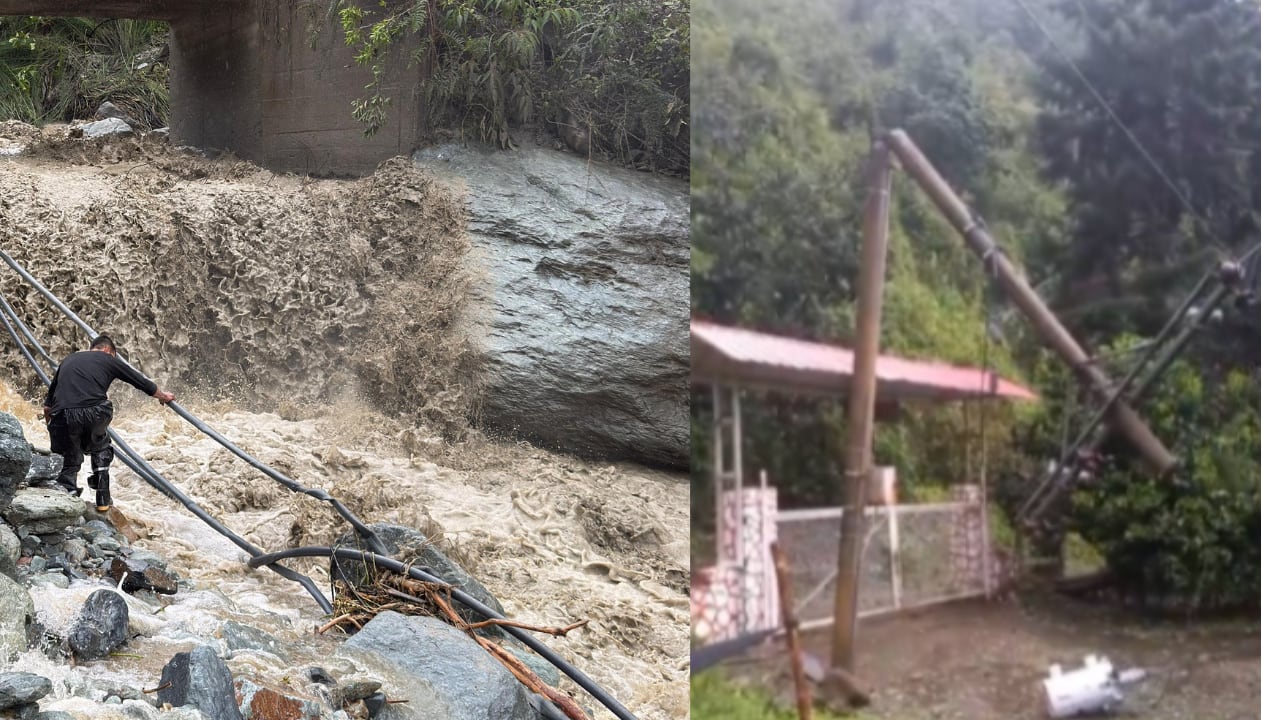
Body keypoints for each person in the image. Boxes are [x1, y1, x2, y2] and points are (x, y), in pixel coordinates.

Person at [42, 335, 175, 511]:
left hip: (63, 414)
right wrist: (163, 396)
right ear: (107, 350)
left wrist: (55, 431)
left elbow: (47, 408)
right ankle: (103, 495)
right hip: (95, 411)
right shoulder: (107, 358)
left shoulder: (68, 359)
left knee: (68, 455)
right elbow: (139, 381)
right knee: (100, 444)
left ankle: (68, 497)